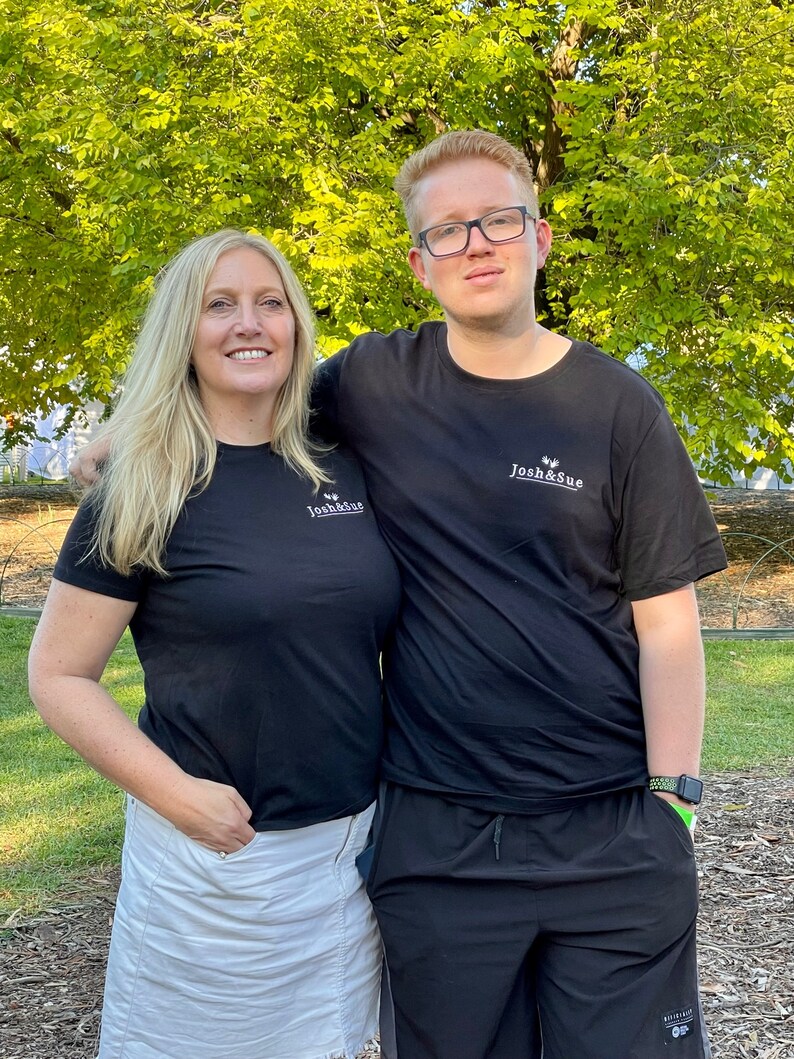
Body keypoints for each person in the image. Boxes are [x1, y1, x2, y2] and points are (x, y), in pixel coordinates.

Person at [71, 131, 728, 1059]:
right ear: (419, 264)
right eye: (448, 231)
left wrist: (676, 801)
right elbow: (246, 384)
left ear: (540, 238)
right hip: (436, 829)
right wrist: (120, 432)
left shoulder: (620, 407)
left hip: (611, 824)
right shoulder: (375, 382)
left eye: (499, 219)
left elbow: (668, 625)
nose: (477, 245)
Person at [29, 229, 401, 1059]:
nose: (250, 323)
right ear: (183, 331)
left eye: (271, 303)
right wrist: (175, 794)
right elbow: (57, 675)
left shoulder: (343, 465)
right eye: (219, 304)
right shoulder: (141, 488)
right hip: (211, 862)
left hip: (349, 857)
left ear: (298, 325)